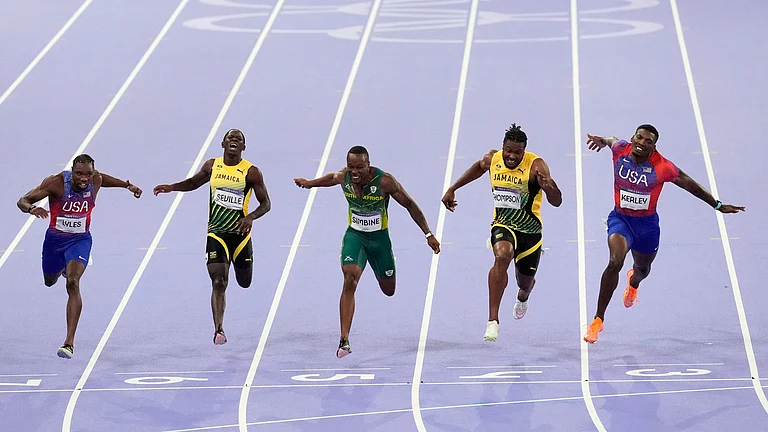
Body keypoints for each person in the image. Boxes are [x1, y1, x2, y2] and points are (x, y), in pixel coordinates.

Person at [583, 124, 745, 344]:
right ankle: (597, 320)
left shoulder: (662, 167)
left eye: (648, 141)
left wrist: (717, 205)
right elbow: (612, 139)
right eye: (638, 138)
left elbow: (690, 185)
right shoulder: (620, 149)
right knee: (615, 261)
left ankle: (634, 283)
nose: (641, 143)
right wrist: (602, 140)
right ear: (632, 138)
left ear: (654, 146)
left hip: (647, 227)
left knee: (643, 269)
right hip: (620, 220)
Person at [293, 145, 440, 358]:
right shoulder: (344, 176)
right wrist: (309, 184)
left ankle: (384, 263)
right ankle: (344, 340)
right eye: (351, 166)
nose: (354, 171)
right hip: (356, 237)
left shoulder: (385, 182)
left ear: (368, 165)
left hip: (380, 241)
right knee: (349, 279)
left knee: (389, 290)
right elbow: (331, 178)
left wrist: (428, 234)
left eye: (359, 167)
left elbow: (409, 204)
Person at [441, 123, 562, 341]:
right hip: (503, 224)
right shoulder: (493, 159)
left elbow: (557, 202)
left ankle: (524, 295)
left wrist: (549, 187)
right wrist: (453, 188)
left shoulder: (536, 166)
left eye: (517, 152)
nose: (512, 156)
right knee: (502, 255)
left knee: (524, 282)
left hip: (530, 232)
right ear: (502, 147)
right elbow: (478, 167)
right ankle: (493, 321)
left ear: (524, 151)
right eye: (508, 150)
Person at [17, 154, 143, 359]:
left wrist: (128, 186)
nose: (84, 178)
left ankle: (69, 343)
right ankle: (62, 270)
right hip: (55, 243)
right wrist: (32, 208)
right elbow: (22, 200)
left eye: (88, 174)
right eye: (79, 174)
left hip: (80, 241)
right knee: (49, 281)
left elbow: (105, 178)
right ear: (72, 172)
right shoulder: (56, 183)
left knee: (73, 283)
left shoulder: (96, 180)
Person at [154, 129, 271, 345]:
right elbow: (192, 183)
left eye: (239, 139)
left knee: (244, 282)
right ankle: (219, 329)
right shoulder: (212, 166)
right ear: (223, 144)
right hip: (216, 233)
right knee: (218, 282)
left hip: (240, 236)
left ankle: (241, 268)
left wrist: (251, 217)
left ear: (243, 147)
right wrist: (171, 187)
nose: (234, 140)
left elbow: (266, 204)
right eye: (230, 138)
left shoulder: (251, 172)